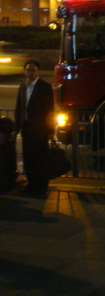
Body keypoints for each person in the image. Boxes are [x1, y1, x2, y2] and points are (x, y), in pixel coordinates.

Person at [13, 60, 54, 196]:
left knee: (40, 159)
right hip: (26, 128)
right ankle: (31, 185)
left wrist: (50, 130)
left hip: (40, 129)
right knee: (28, 158)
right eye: (28, 70)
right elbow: (19, 108)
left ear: (38, 71)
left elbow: (50, 110)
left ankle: (41, 187)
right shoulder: (23, 87)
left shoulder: (44, 87)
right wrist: (16, 128)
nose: (30, 72)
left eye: (33, 70)